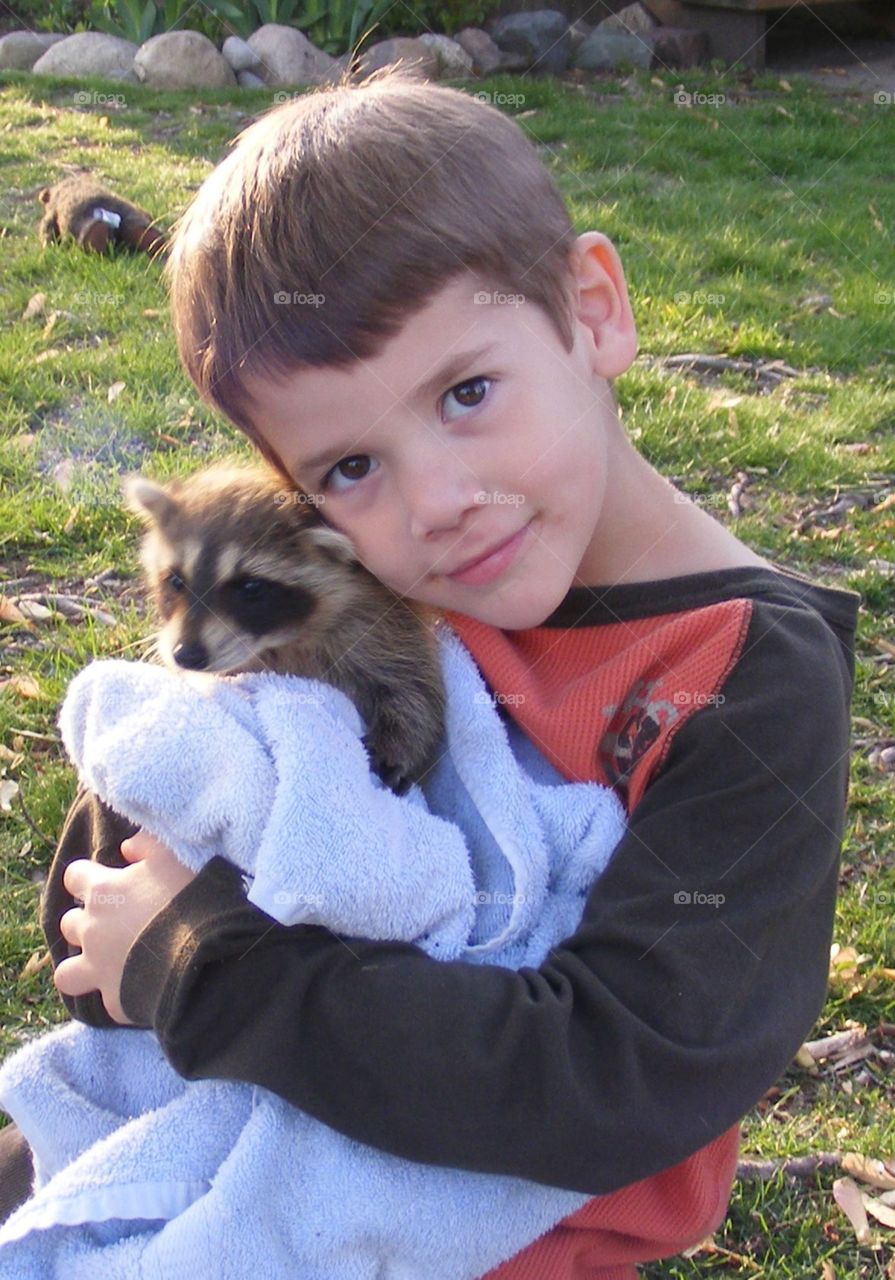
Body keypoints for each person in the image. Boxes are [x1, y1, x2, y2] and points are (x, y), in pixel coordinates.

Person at [1, 68, 859, 1278]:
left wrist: (202, 966)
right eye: (350, 465)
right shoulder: (357, 583)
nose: (436, 502)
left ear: (594, 310)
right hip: (228, 1141)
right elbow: (107, 920)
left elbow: (619, 1073)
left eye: (466, 393)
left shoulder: (746, 685)